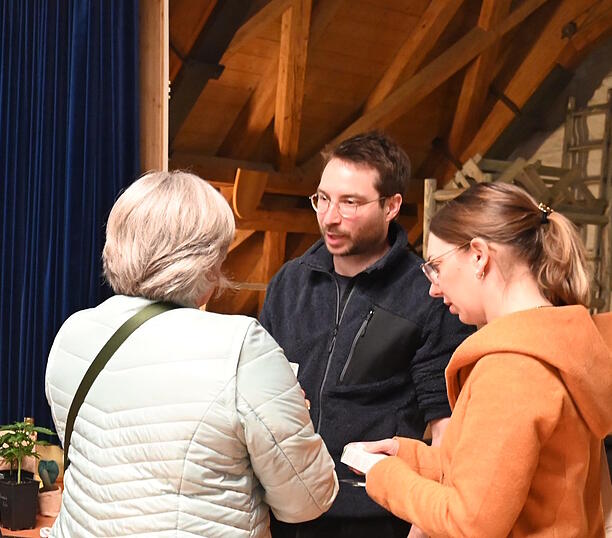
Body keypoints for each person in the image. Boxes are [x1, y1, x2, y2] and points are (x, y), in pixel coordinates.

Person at [45, 170, 339, 537]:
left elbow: (100, 455)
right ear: (203, 259)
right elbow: (306, 500)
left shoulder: (74, 333)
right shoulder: (240, 346)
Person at [360, 182, 612, 536]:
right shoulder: (556, 347)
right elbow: (506, 474)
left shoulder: (513, 369)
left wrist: (384, 477)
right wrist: (408, 457)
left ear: (479, 256)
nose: (433, 286)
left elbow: (470, 523)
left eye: (435, 265)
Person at [260, 132, 472, 537]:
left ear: (392, 205)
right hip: (286, 508)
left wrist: (424, 524)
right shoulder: (289, 283)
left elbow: (447, 430)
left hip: (374, 515)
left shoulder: (428, 294)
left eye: (350, 203)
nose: (329, 217)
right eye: (322, 199)